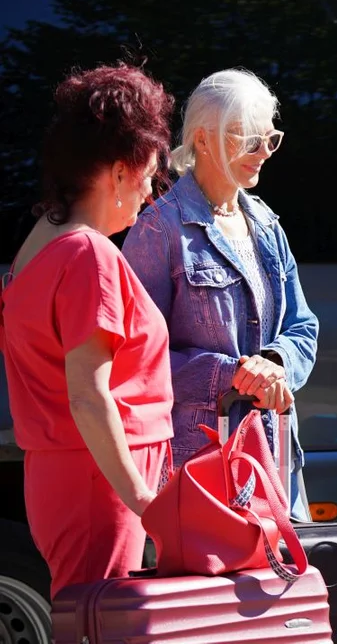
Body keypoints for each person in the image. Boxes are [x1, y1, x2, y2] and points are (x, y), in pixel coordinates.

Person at [0, 64, 175, 596]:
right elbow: (89, 397)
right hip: (101, 481)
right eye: (147, 177)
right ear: (119, 171)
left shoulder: (38, 249)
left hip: (69, 474)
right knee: (100, 624)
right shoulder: (89, 254)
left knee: (84, 618)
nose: (149, 196)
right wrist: (143, 500)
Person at [123, 69, 318, 519]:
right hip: (199, 464)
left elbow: (303, 327)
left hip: (275, 459)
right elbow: (136, 362)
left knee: (285, 586)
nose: (264, 152)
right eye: (247, 139)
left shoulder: (267, 224)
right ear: (203, 141)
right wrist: (233, 373)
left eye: (270, 138)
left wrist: (273, 363)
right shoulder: (159, 228)